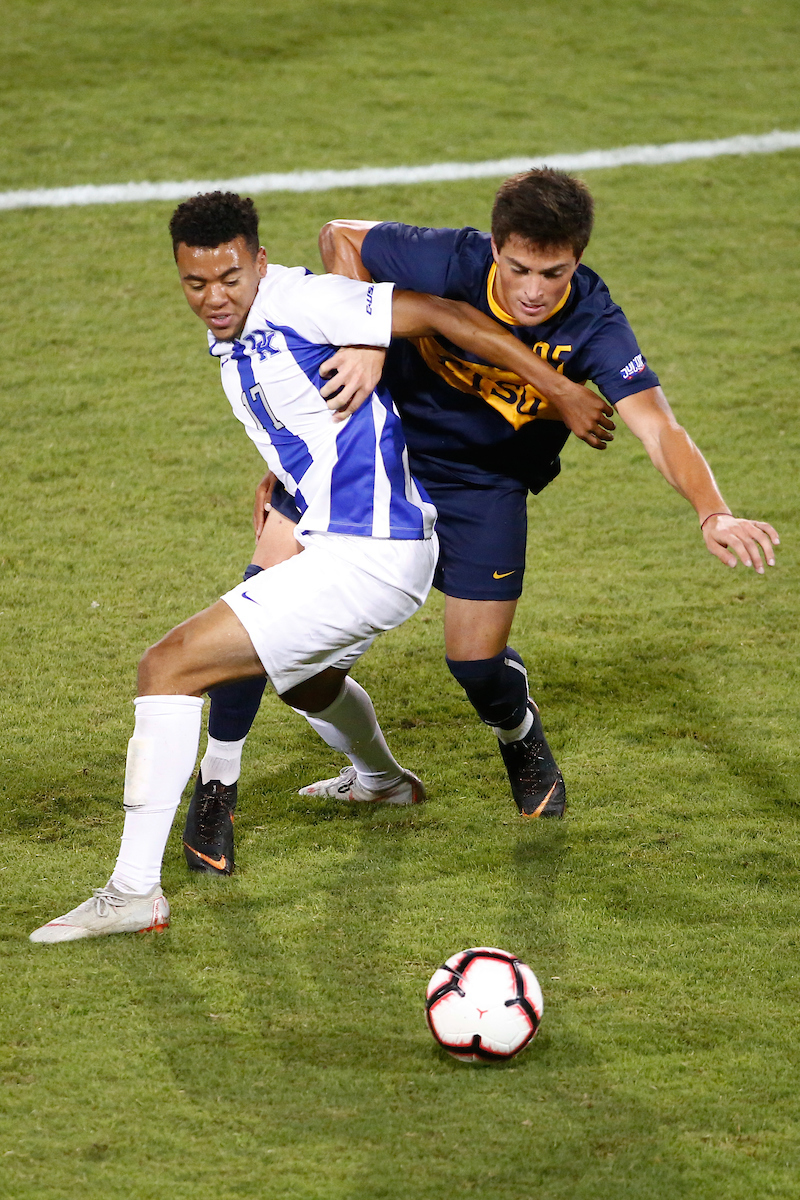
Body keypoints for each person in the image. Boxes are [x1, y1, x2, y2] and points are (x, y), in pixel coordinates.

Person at [29, 189, 610, 941]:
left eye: (230, 278)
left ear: (259, 263)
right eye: (195, 283)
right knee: (304, 680)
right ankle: (384, 783)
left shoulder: (302, 299)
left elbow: (449, 317)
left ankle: (133, 890)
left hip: (373, 554)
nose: (214, 297)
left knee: (166, 666)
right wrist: (287, 481)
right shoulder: (233, 337)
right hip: (348, 541)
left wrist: (559, 389)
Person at [185, 169, 780, 866]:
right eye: (518, 267)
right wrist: (366, 337)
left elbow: (657, 427)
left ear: (577, 261)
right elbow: (340, 236)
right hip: (375, 456)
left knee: (475, 664)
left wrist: (712, 511)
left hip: (483, 488)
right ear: (495, 248)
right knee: (259, 625)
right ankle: (218, 786)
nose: (533, 289)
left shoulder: (595, 322)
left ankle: (517, 731)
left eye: (553, 273)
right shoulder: (450, 259)